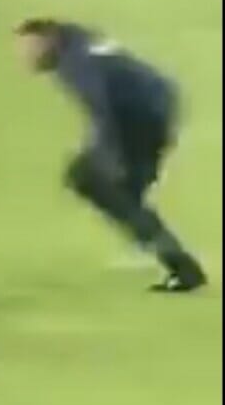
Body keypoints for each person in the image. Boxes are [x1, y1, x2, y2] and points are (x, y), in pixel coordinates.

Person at [14, 18, 206, 292]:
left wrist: (106, 152)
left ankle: (181, 265)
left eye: (29, 48)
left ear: (48, 40)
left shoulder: (75, 63)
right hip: (158, 104)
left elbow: (103, 106)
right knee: (125, 195)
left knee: (88, 178)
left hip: (140, 118)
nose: (24, 57)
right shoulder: (76, 42)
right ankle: (172, 258)